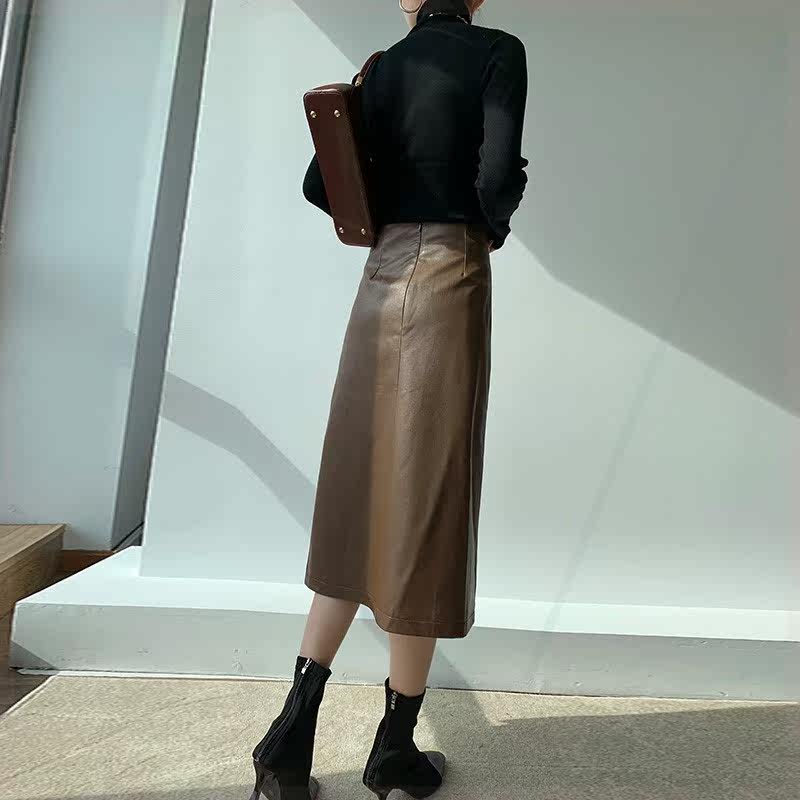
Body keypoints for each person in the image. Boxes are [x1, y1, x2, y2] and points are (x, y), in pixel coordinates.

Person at [248, 1, 528, 798]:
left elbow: (320, 183)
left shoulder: (378, 70)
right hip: (450, 275)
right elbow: (496, 178)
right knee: (425, 508)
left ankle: (287, 744)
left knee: (358, 497)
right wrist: (489, 220)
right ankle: (394, 750)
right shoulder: (498, 51)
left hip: (380, 279)